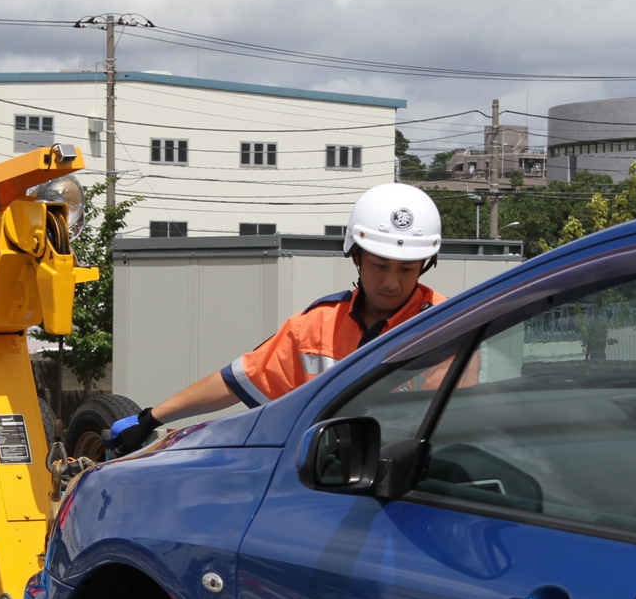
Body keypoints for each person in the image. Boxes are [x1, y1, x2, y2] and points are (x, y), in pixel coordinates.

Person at [111, 182, 446, 454]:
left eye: (407, 268)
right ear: (355, 256)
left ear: (425, 265)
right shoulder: (317, 326)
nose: (391, 282)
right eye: (380, 265)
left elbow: (447, 426)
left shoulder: (446, 326)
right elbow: (236, 381)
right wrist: (150, 418)